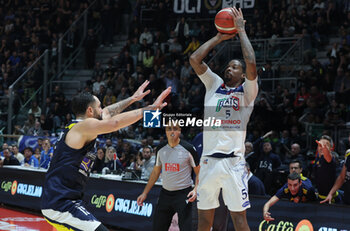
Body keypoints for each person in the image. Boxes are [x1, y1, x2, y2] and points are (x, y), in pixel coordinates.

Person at [41, 80, 171, 231]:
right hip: (61, 204)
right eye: (99, 107)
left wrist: (133, 99)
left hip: (62, 200)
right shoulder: (83, 127)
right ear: (90, 111)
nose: (102, 110)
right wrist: (149, 110)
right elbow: (114, 123)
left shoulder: (79, 126)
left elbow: (109, 112)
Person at [190, 7, 258, 231]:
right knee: (203, 222)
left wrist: (241, 31)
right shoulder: (214, 84)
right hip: (208, 161)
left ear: (242, 74)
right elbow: (195, 58)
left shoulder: (247, 92)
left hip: (233, 163)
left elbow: (251, 63)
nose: (230, 68)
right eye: (229, 66)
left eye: (235, 67)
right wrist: (219, 37)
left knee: (240, 221)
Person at [137, 122, 200, 231]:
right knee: (158, 228)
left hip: (183, 194)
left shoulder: (189, 149)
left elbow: (199, 172)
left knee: (186, 228)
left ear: (179, 131)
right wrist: (144, 193)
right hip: (165, 194)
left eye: (175, 128)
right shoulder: (161, 149)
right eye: (169, 129)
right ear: (166, 131)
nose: (172, 131)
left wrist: (195, 189)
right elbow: (156, 172)